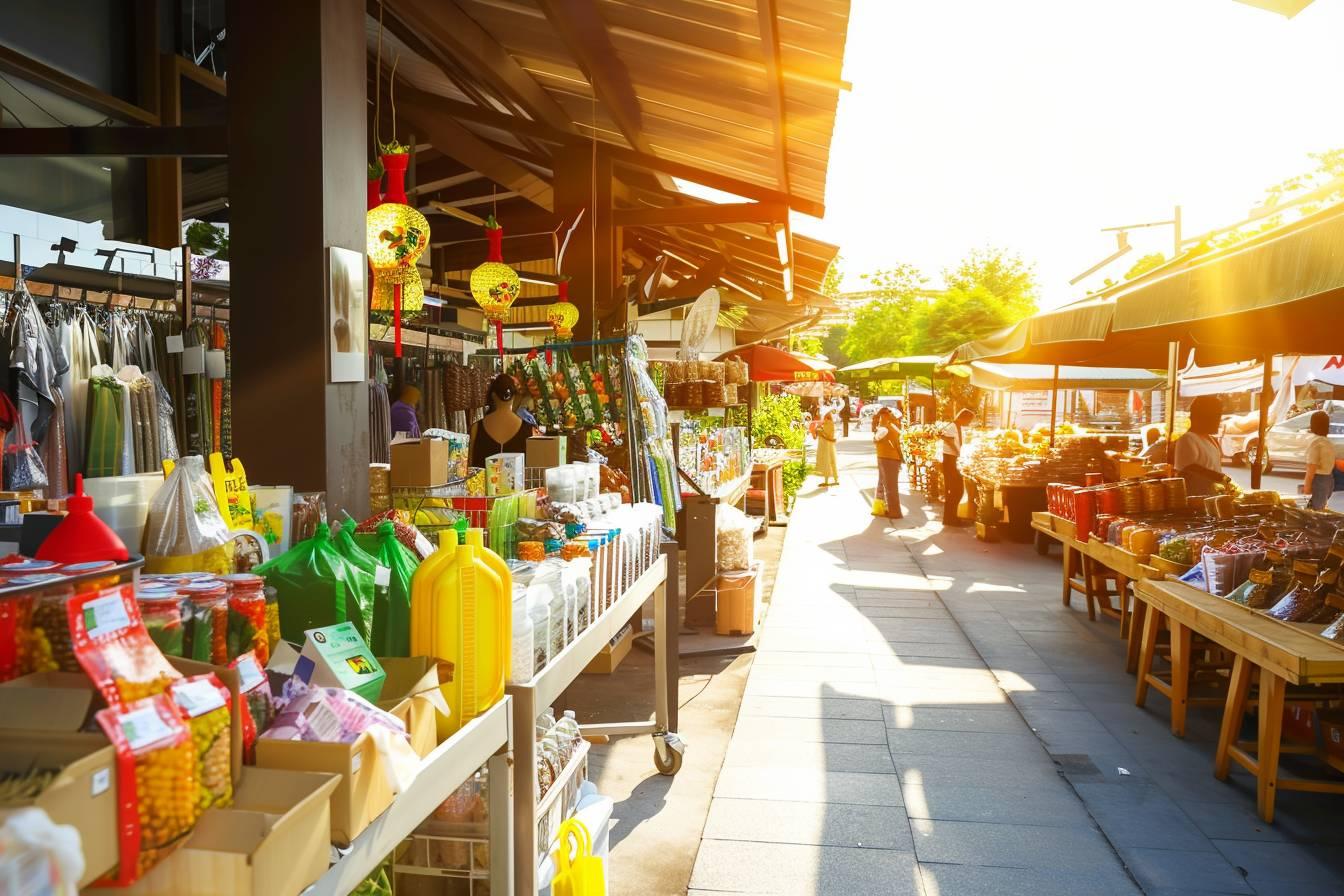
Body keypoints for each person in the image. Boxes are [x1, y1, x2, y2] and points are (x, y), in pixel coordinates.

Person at [469, 374, 534, 468]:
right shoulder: (528, 430)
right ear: (513, 396)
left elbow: (470, 465)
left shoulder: (476, 428)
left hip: (482, 482)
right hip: (517, 483)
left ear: (493, 395)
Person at [1173, 395, 1232, 497]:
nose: (1218, 421)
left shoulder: (1212, 440)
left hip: (1213, 497)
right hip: (1196, 501)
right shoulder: (1187, 439)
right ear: (1202, 417)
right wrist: (1221, 478)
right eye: (1215, 416)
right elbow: (1188, 470)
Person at [939, 408, 975, 526]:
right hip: (950, 459)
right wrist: (959, 453)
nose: (968, 423)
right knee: (955, 490)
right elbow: (949, 441)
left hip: (954, 458)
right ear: (963, 417)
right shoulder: (952, 427)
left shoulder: (958, 427)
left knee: (957, 490)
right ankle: (950, 519)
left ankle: (951, 517)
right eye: (968, 420)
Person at [872, 406, 903, 519]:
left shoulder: (884, 429)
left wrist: (877, 430)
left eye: (880, 416)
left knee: (890, 487)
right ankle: (892, 510)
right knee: (891, 486)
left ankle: (894, 512)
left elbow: (875, 440)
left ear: (883, 416)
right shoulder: (893, 427)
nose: (879, 418)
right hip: (893, 458)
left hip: (886, 458)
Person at [1302, 410, 1337, 510]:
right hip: (1329, 479)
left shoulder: (1316, 443)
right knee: (1321, 509)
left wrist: (1307, 486)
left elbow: (1311, 467)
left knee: (1314, 513)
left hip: (1318, 480)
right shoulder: (1328, 443)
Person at [815, 410, 839, 487]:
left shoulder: (828, 423)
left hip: (826, 445)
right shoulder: (830, 423)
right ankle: (835, 479)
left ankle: (827, 480)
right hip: (830, 445)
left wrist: (819, 430)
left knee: (827, 462)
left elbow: (826, 435)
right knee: (832, 462)